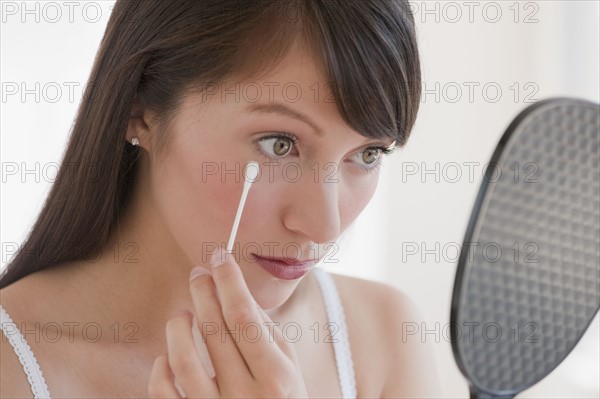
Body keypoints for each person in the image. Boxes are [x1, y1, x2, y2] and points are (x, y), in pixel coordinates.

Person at [0, 0, 440, 397]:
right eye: (279, 144)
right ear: (139, 111)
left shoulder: (384, 340)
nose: (324, 227)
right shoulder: (12, 367)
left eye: (367, 154)